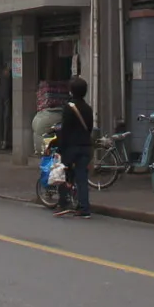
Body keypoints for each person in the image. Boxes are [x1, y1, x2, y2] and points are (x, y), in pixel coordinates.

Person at [52, 78, 95, 219]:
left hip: (71, 147)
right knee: (82, 178)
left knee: (64, 174)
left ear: (71, 91)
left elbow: (65, 130)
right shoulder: (88, 108)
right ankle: (84, 208)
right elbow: (89, 128)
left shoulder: (69, 107)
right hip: (85, 146)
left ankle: (63, 203)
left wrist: (60, 147)